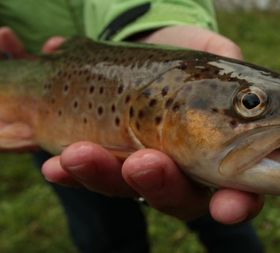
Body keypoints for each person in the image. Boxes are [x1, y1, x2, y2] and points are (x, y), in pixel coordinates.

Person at [0, 0, 265, 252]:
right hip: (34, 73)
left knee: (223, 222)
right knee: (105, 233)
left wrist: (150, 23)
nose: (250, 105)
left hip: (124, 42)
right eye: (250, 103)